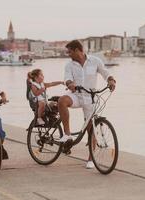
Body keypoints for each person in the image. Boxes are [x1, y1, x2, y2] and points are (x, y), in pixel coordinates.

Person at [58, 40, 116, 169]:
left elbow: (105, 72)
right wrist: (70, 84)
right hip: (76, 95)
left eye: (69, 51)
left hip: (91, 97)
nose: (68, 54)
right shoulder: (69, 65)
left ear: (77, 50)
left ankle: (91, 158)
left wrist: (111, 80)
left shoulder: (95, 61)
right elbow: (67, 78)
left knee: (91, 128)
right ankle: (67, 134)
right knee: (62, 101)